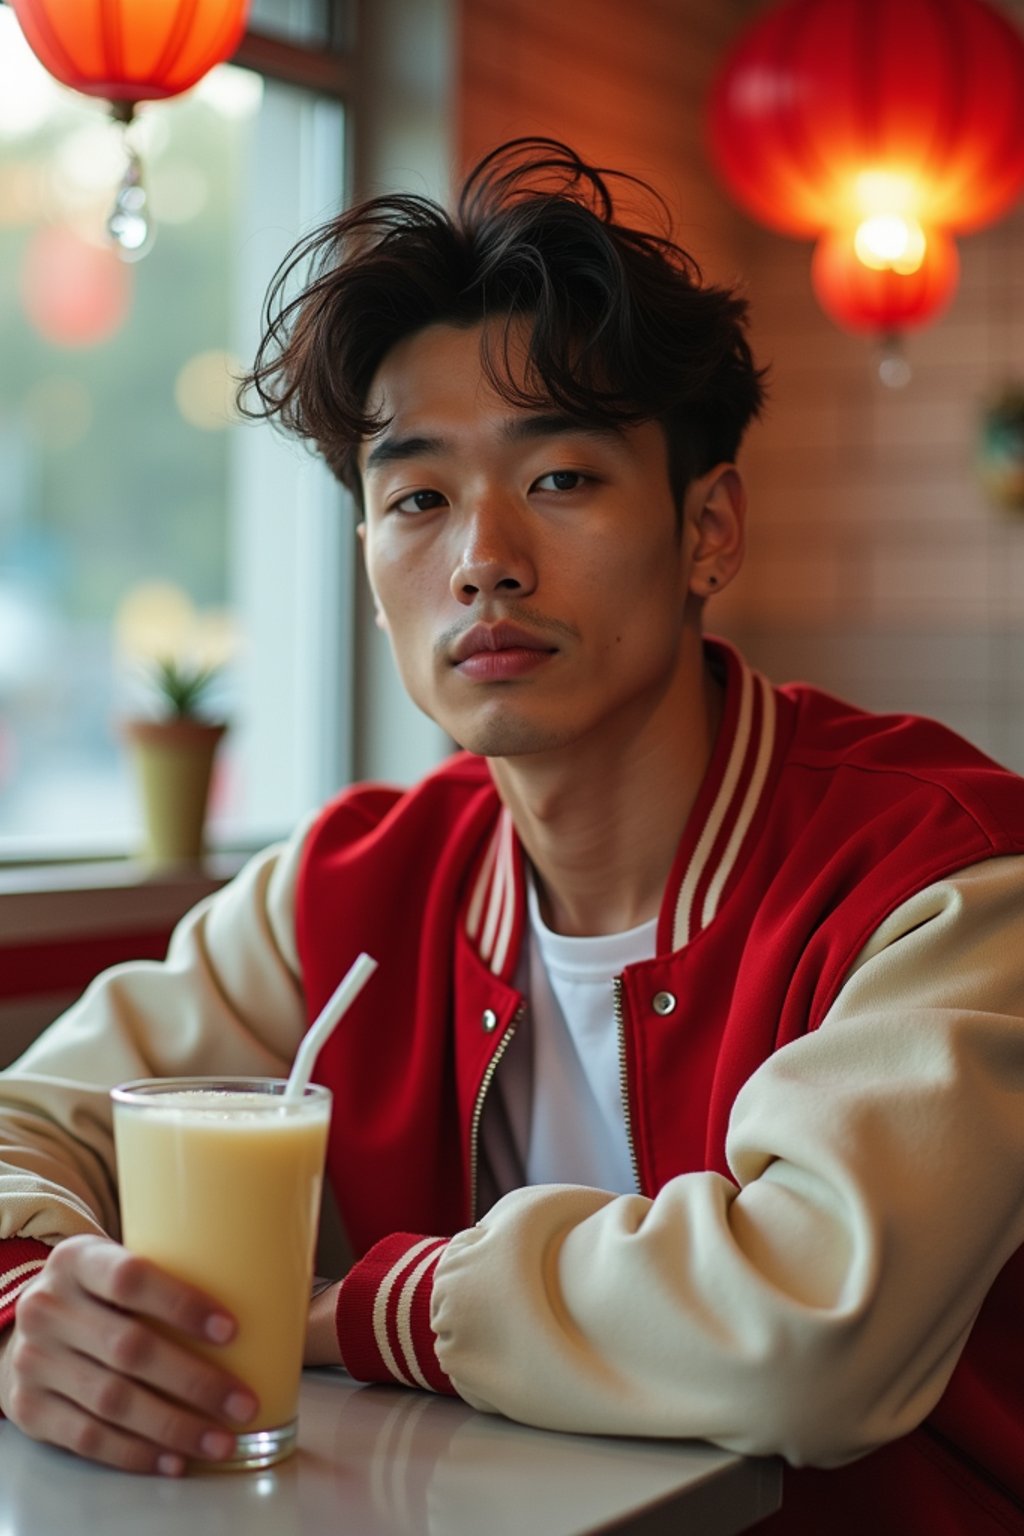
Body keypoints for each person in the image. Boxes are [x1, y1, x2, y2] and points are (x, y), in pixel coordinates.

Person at [1, 138, 1023, 1533]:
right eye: (415, 498)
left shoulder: (943, 877)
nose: (482, 554)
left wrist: (336, 1316)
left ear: (707, 527)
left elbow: (811, 1334)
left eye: (560, 480)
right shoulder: (352, 883)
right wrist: (38, 1312)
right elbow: (29, 1126)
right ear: (369, 573)